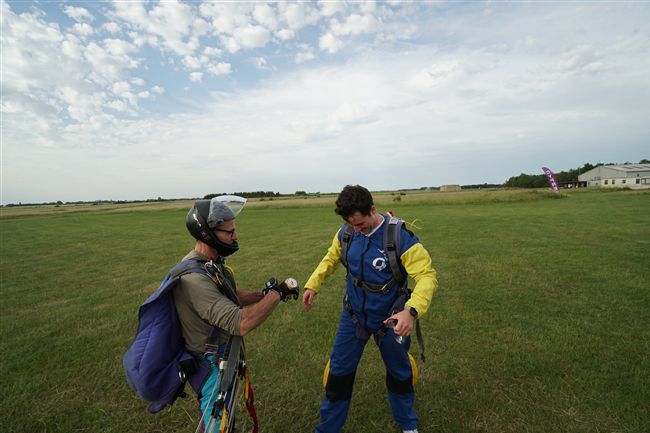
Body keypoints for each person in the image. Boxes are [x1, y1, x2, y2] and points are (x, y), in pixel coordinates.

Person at [302, 185, 438, 433]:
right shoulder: (346, 232)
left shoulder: (399, 237)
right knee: (338, 373)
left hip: (391, 319)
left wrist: (411, 310)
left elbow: (426, 276)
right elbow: (331, 258)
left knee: (400, 373)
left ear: (372, 210)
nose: (356, 230)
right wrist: (313, 284)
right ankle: (328, 429)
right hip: (353, 315)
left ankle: (408, 425)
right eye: (350, 224)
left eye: (361, 224)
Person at [179, 195, 298, 432]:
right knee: (218, 424)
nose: (235, 236)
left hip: (221, 355)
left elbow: (230, 294)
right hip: (210, 363)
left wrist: (262, 295)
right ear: (207, 234)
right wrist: (278, 293)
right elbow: (241, 322)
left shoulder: (210, 263)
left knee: (224, 417)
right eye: (229, 232)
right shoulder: (194, 278)